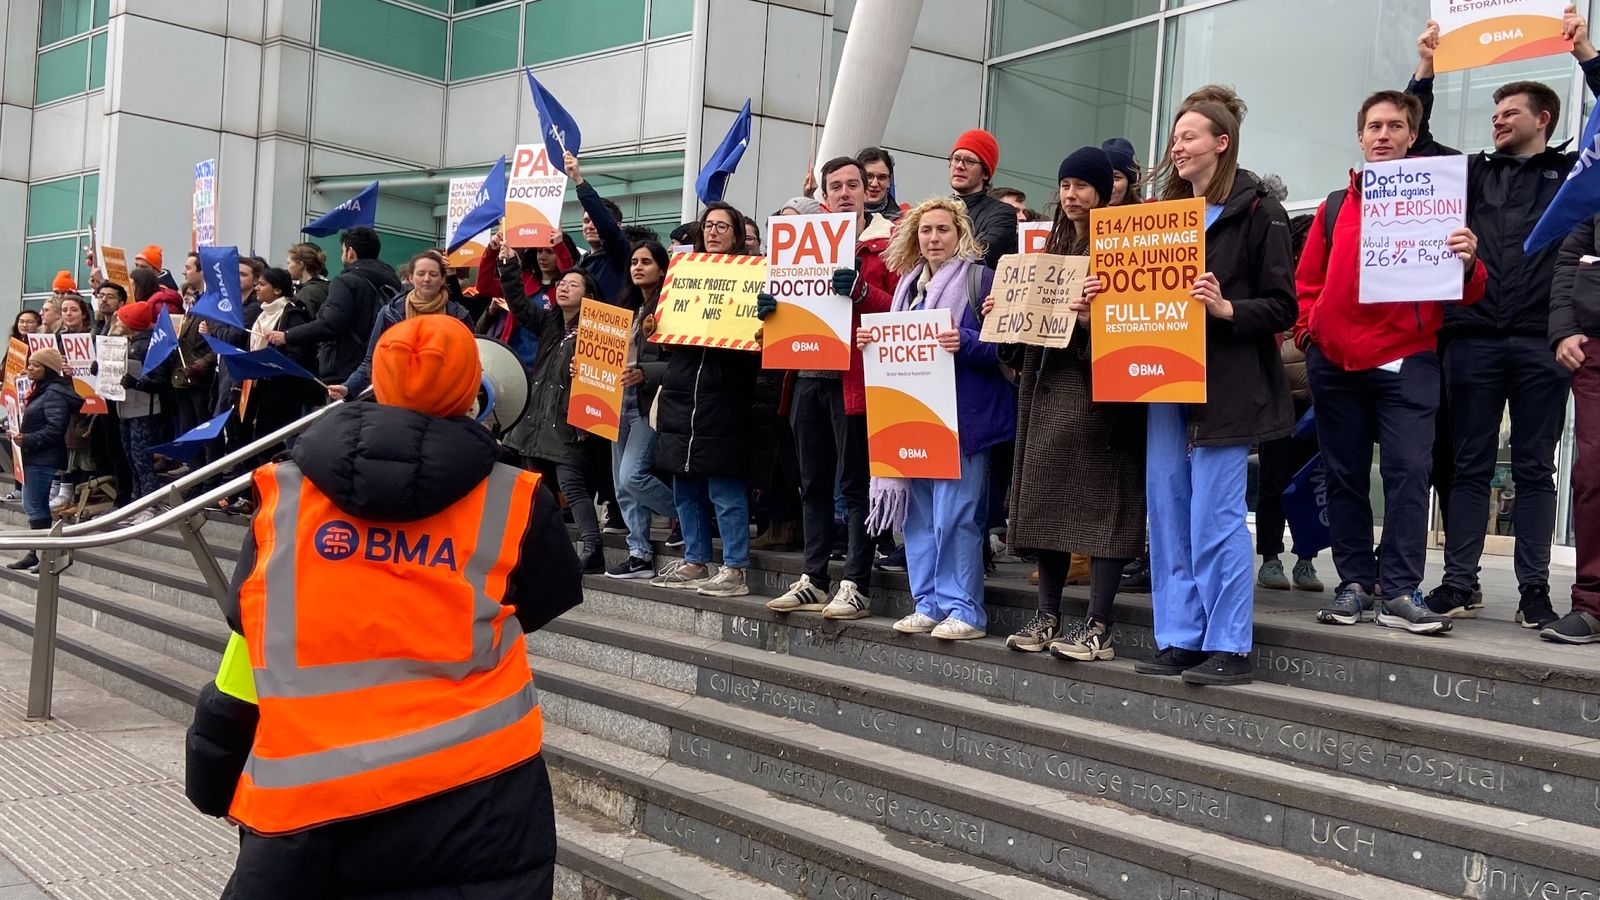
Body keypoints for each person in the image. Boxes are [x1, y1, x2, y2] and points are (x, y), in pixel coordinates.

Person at [184, 315, 580, 899]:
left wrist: (212, 772)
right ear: (473, 389)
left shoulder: (285, 493)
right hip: (475, 793)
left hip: (307, 798)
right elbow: (544, 601)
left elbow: (249, 637)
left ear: (380, 379)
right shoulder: (517, 500)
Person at [1410, 6, 1599, 627]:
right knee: (1466, 465)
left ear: (1543, 119)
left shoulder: (1573, 177)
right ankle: (1459, 582)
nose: (1497, 120)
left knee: (1534, 468)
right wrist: (1426, 72)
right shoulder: (1468, 174)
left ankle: (1535, 593)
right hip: (1472, 340)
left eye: (1509, 112)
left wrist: (1587, 59)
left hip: (1542, 342)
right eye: (1494, 113)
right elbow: (1414, 148)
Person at [1294, 91, 1485, 634]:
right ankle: (1354, 582)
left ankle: (1400, 589)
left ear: (1410, 136)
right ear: (1360, 137)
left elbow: (1469, 292)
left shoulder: (1439, 205)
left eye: (1395, 126)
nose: (1383, 134)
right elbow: (1306, 283)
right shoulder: (1334, 206)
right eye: (1373, 126)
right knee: (1345, 476)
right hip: (1336, 363)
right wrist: (1311, 332)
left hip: (1409, 360)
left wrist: (1469, 263)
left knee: (1409, 474)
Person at [1130, 91, 1297, 686]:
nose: (1178, 146)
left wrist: (1227, 308)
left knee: (1215, 518)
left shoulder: (1260, 210)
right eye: (1175, 138)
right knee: (1169, 514)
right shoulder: (1159, 216)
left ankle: (1230, 643)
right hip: (1162, 380)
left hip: (1226, 386)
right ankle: (1179, 636)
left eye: (1191, 137)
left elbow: (1283, 306)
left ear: (1221, 143)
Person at [998, 147, 1145, 660]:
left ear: (1104, 191)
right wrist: (1004, 316)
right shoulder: (1053, 247)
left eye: (1081, 186)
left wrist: (1090, 324)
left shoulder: (1125, 247)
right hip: (1046, 390)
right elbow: (1021, 344)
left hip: (1102, 396)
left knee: (1103, 507)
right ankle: (1047, 615)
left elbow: (1139, 329)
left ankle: (1098, 625)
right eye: (1064, 186)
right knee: (1046, 501)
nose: (1070, 195)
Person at [859, 197, 1015, 640]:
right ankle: (927, 603)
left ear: (960, 233)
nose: (934, 238)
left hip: (963, 423)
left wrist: (964, 339)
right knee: (919, 520)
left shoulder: (980, 281)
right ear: (914, 236)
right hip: (913, 418)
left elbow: (1007, 348)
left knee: (958, 518)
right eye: (926, 230)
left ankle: (965, 610)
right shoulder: (907, 288)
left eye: (943, 229)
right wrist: (872, 339)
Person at [765, 156, 898, 620]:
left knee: (854, 485)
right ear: (823, 196)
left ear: (868, 191)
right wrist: (771, 309)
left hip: (855, 383)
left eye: (853, 185)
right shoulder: (799, 245)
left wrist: (863, 291)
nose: (845, 192)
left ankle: (856, 582)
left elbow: (901, 308)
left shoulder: (887, 244)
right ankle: (814, 577)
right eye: (836, 186)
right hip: (805, 379)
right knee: (813, 483)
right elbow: (781, 316)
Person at [646, 202, 762, 597]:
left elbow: (757, 345)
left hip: (724, 395)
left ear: (736, 236)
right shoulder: (683, 275)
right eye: (708, 226)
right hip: (682, 393)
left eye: (722, 227)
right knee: (685, 483)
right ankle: (696, 559)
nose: (713, 232)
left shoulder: (753, 278)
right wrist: (654, 326)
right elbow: (667, 339)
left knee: (724, 487)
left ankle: (734, 568)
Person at [495, 245, 608, 574]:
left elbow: (604, 382)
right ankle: (545, 549)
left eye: (573, 284)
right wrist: (508, 266)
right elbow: (517, 303)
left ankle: (593, 547)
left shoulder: (598, 332)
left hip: (569, 423)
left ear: (589, 295)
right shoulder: (549, 324)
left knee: (571, 486)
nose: (564, 287)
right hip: (536, 420)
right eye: (561, 283)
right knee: (539, 489)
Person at [606, 241, 678, 579]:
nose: (638, 267)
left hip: (649, 405)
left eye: (646, 262)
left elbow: (680, 364)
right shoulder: (625, 312)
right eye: (634, 261)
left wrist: (645, 374)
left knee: (631, 476)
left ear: (662, 269)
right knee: (622, 487)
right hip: (615, 402)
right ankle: (639, 555)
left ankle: (688, 513)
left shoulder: (670, 309)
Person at [1545, 214, 1600, 642]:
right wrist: (1564, 330)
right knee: (1593, 474)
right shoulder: (1594, 187)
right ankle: (1592, 604)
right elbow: (1568, 261)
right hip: (1595, 347)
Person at [331, 250, 473, 401]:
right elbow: (372, 361)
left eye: (433, 274)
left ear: (443, 279)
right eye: (421, 273)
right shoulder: (390, 313)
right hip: (399, 396)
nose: (426, 279)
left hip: (444, 397)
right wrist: (348, 388)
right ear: (411, 277)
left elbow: (471, 361)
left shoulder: (458, 315)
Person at [268, 226, 401, 384]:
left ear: (350, 252)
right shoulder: (393, 280)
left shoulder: (346, 281)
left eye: (342, 250)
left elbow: (331, 323)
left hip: (346, 368)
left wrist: (287, 336)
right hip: (383, 363)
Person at [6, 347, 82, 572]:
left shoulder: (53, 393)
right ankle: (35, 552)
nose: (30, 368)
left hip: (42, 457)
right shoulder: (40, 390)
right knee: (32, 505)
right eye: (30, 363)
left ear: (48, 369)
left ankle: (45, 553)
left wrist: (27, 439)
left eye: (36, 365)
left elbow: (55, 428)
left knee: (35, 504)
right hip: (32, 455)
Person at [242, 268, 320, 452]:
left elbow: (297, 355)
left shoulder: (293, 315)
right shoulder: (261, 314)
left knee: (271, 443)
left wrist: (268, 364)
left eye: (262, 284)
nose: (257, 288)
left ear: (277, 290)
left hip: (283, 391)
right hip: (259, 386)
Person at [567, 152, 631, 302]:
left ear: (618, 226)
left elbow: (607, 228)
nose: (589, 226)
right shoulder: (581, 262)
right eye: (586, 221)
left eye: (594, 221)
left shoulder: (620, 254)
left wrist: (578, 181)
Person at [948, 129, 1017, 269]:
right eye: (956, 159)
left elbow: (980, 253)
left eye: (969, 161)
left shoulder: (1002, 213)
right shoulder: (936, 211)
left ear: (985, 173)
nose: (960, 166)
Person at [858, 147, 905, 222]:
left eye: (882, 177)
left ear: (889, 181)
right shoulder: (837, 216)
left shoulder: (904, 222)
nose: (874, 184)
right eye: (868, 176)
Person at [286, 242, 330, 317]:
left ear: (301, 265)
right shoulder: (327, 286)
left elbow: (302, 321)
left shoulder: (307, 292)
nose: (287, 267)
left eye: (288, 263)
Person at [1102, 138, 1143, 206]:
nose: (1109, 185)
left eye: (1116, 178)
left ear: (1131, 183)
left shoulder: (1148, 213)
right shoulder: (1084, 213)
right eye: (1103, 177)